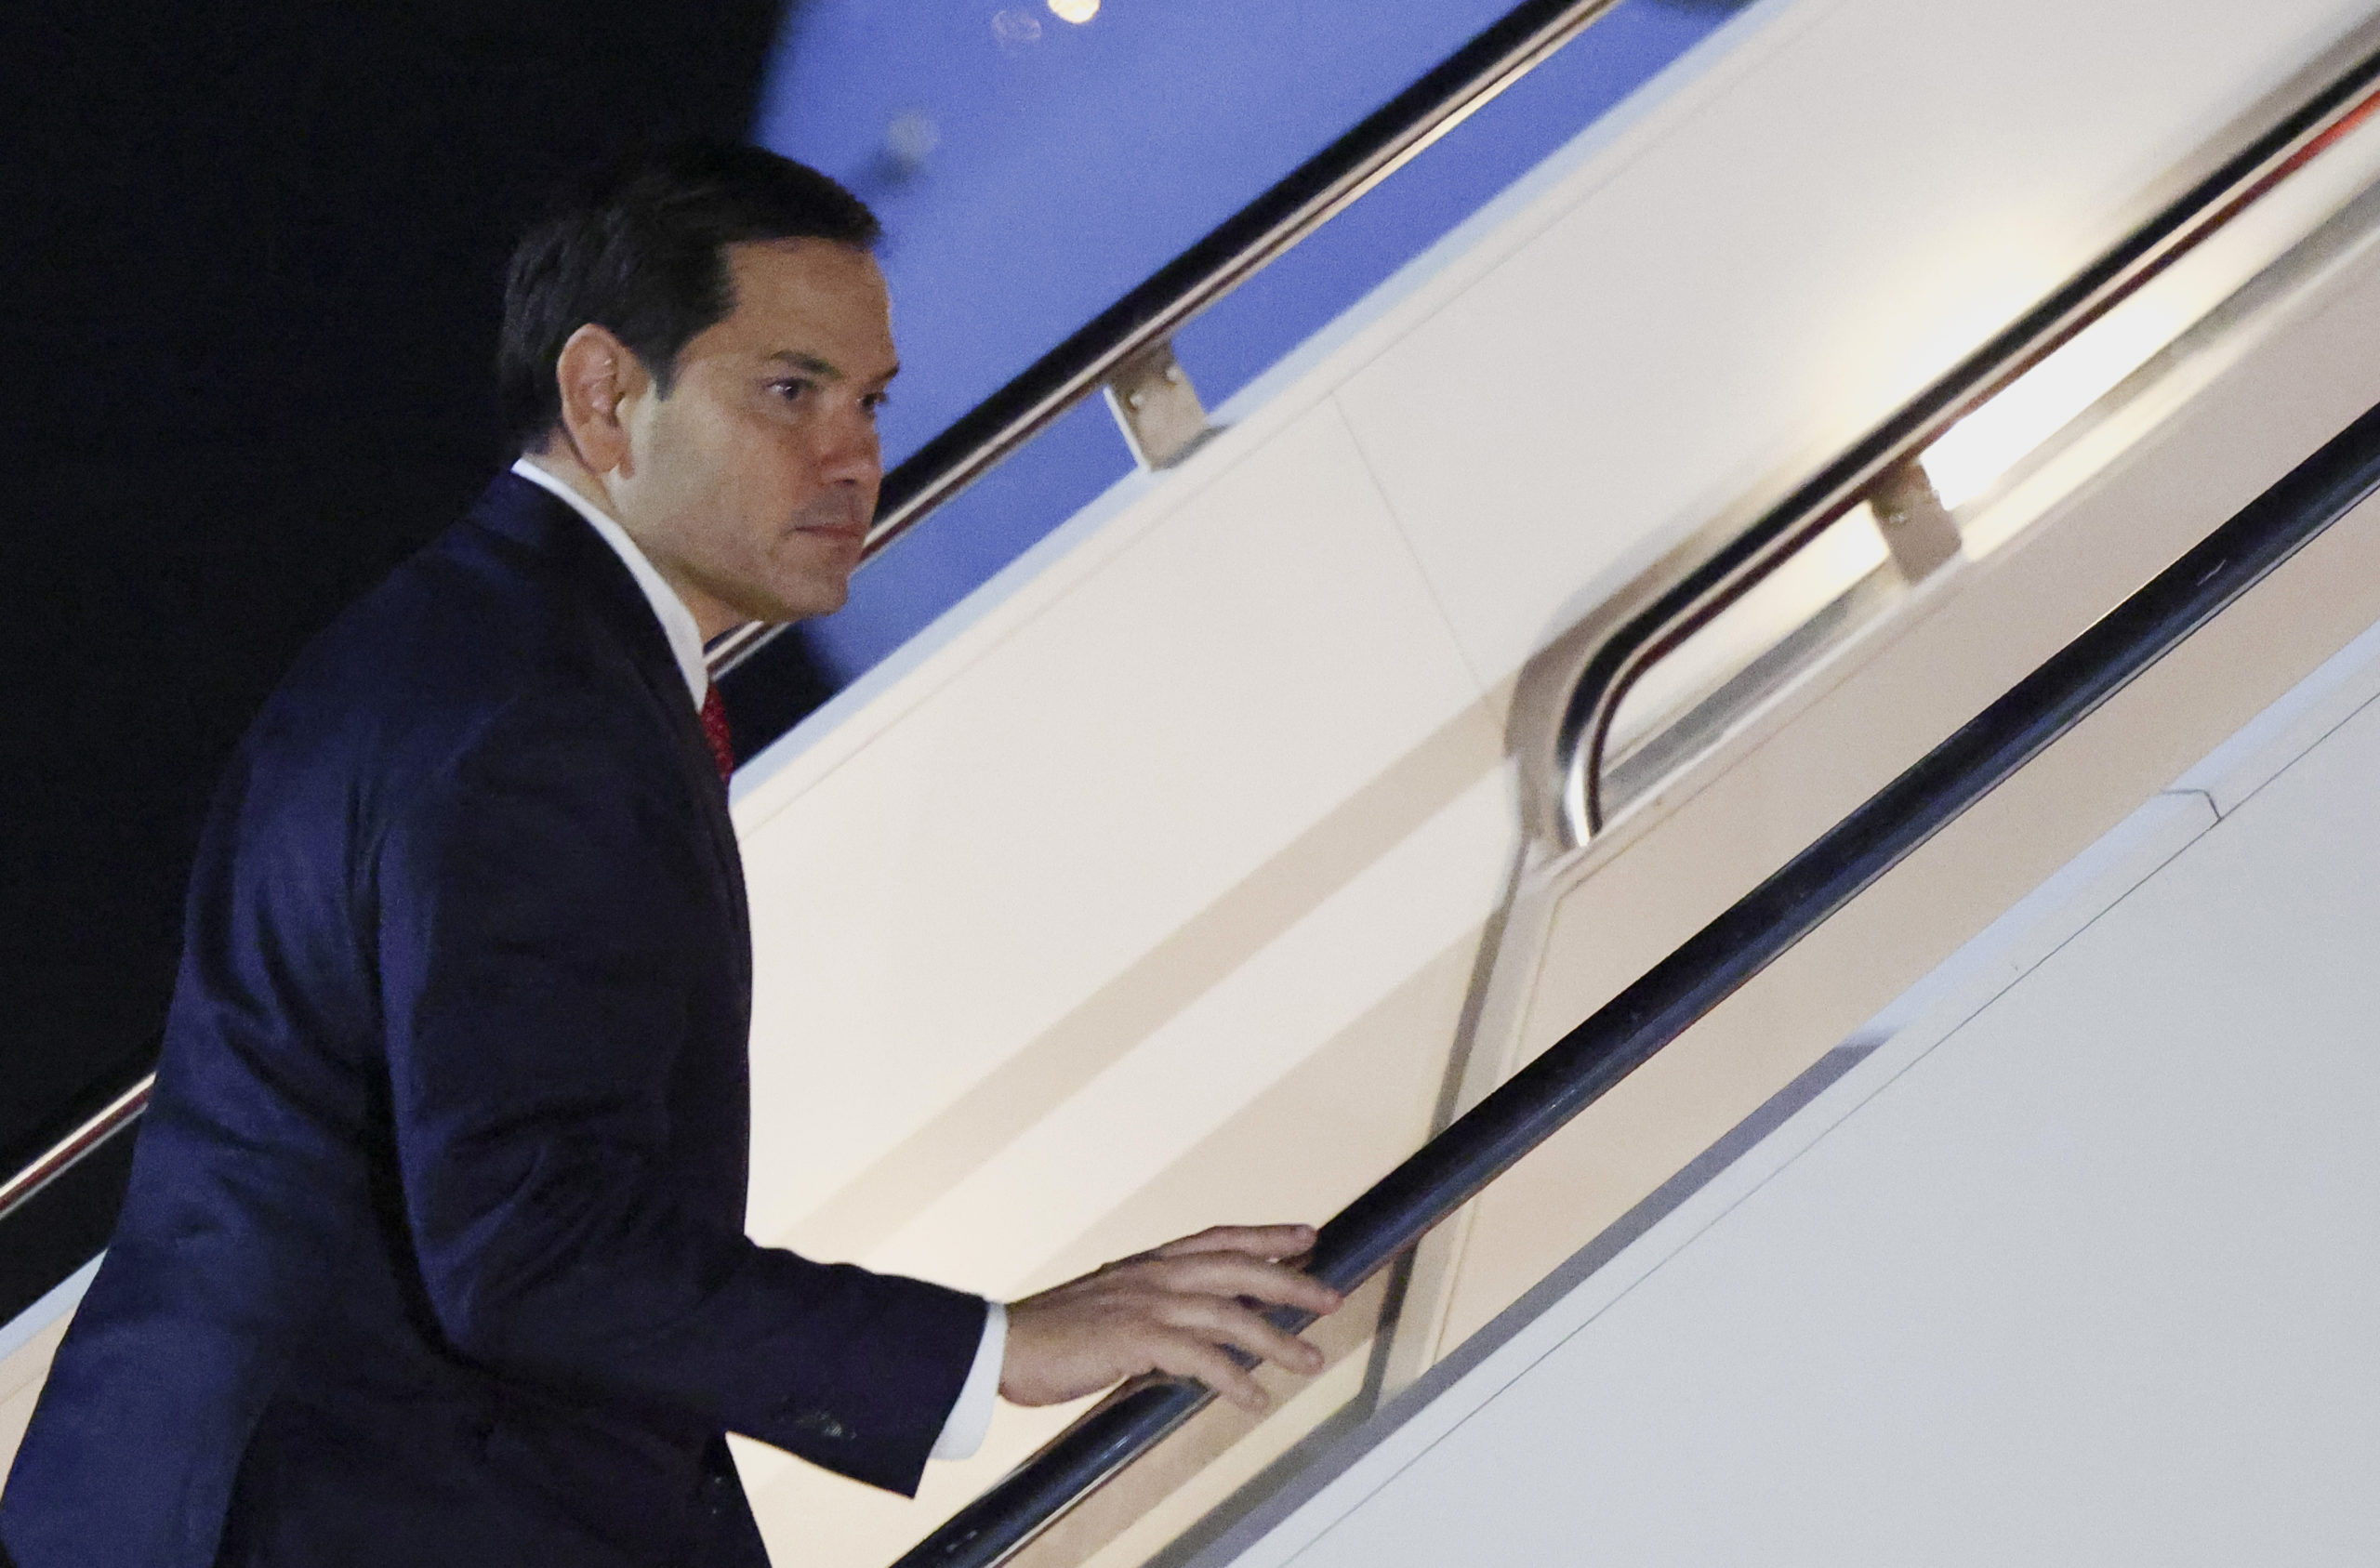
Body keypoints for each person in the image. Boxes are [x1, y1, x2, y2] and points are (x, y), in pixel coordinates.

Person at [0, 140, 1340, 1568]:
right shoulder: (532, 708)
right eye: (789, 391)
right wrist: (1000, 1349)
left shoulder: (477, 638)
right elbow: (528, 1246)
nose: (856, 454)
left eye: (869, 401)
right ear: (604, 395)